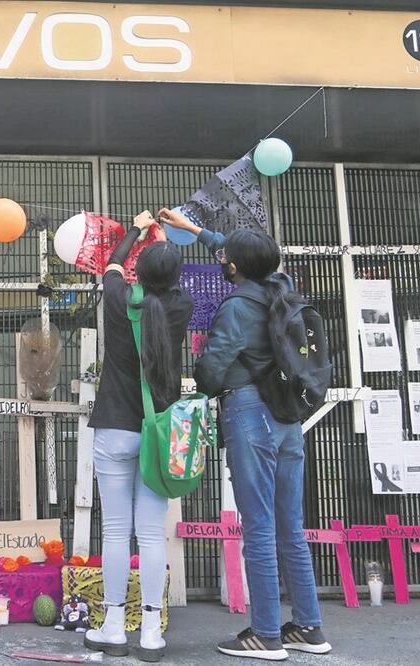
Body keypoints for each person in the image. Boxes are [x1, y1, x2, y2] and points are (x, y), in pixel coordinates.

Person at [160, 208, 331, 661]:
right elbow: (252, 259)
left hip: (250, 412)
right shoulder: (283, 289)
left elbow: (214, 367)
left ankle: (266, 633)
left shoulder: (236, 306)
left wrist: (201, 379)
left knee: (257, 526)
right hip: (288, 418)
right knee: (289, 526)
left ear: (232, 267)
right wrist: (198, 231)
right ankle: (308, 628)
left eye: (226, 258)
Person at [84, 211, 192, 662]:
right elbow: (169, 278)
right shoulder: (181, 306)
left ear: (138, 274)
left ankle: (112, 624)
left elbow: (111, 263)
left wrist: (135, 228)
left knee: (114, 531)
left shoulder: (118, 297)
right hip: (158, 434)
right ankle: (150, 631)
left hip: (113, 426)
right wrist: (162, 238)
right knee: (151, 537)